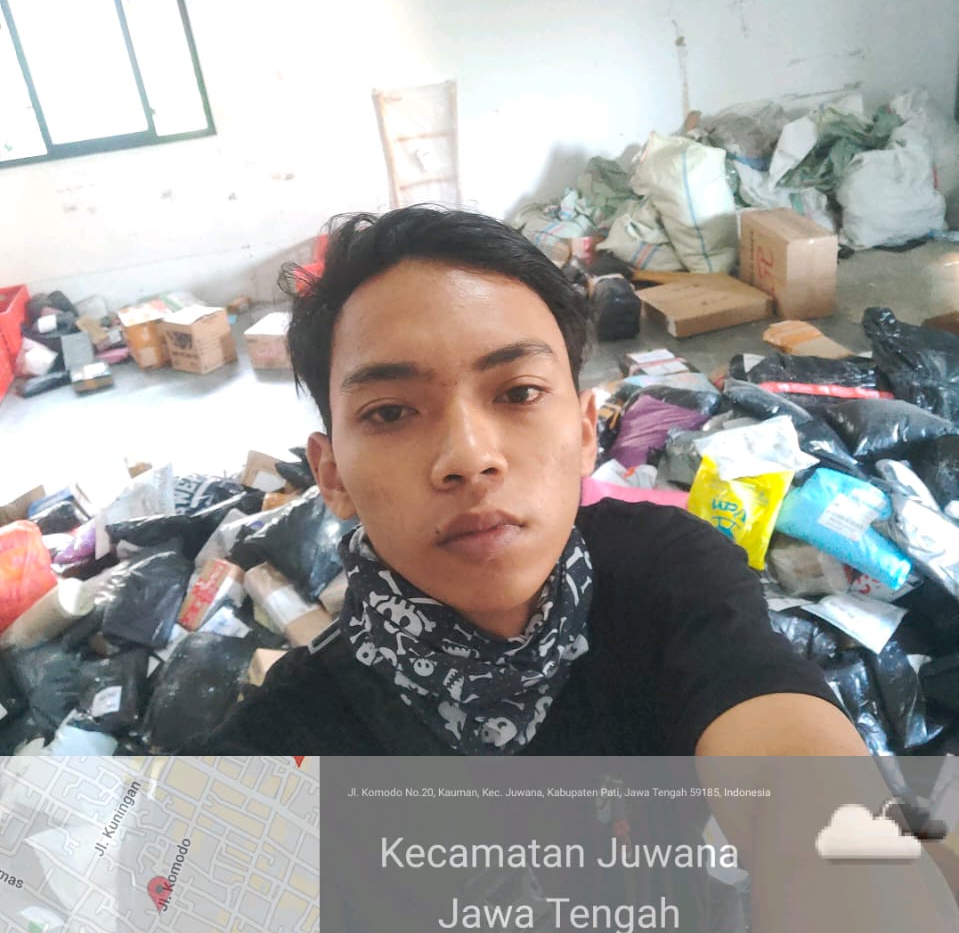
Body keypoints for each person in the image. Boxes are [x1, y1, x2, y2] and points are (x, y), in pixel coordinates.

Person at [199, 203, 866, 760]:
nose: (469, 458)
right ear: (331, 474)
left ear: (584, 432)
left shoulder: (667, 574)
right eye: (391, 412)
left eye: (518, 393)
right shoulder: (288, 743)